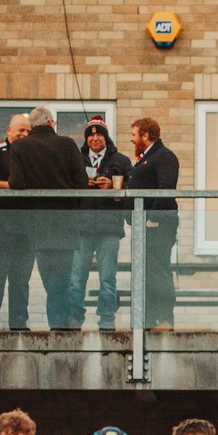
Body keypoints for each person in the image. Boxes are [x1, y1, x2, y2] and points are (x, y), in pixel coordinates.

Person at [7, 106, 90, 330]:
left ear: (32, 126)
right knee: (61, 276)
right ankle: (61, 323)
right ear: (51, 123)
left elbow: (16, 184)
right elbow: (81, 183)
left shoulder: (20, 147)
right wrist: (74, 207)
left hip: (37, 221)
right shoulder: (67, 144)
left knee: (49, 275)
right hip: (66, 220)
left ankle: (60, 322)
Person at [71, 116, 131, 331]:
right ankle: (74, 320)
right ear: (86, 139)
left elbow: (131, 192)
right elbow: (66, 191)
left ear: (106, 138)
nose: (95, 138)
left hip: (109, 228)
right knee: (76, 277)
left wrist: (114, 189)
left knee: (108, 278)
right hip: (82, 227)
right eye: (91, 135)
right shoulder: (76, 161)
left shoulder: (121, 161)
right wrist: (80, 184)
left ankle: (107, 320)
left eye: (99, 134)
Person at [0, 114, 34, 330]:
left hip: (26, 226)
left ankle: (19, 322)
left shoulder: (32, 154)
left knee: (21, 280)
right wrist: (13, 186)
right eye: (20, 130)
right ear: (9, 130)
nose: (24, 134)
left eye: (28, 131)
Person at [129, 116, 181, 330]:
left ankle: (164, 318)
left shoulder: (164, 156)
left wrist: (153, 218)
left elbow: (165, 187)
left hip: (157, 224)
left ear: (145, 135)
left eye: (134, 135)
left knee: (158, 270)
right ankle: (149, 318)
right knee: (146, 272)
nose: (131, 140)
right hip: (144, 225)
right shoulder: (146, 158)